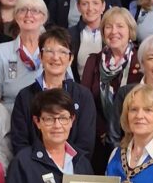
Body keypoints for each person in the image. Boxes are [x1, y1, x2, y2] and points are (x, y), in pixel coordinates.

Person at [10, 26, 96, 158]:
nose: (56, 57)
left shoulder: (83, 96)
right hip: (33, 170)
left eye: (62, 52)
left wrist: (64, 165)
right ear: (40, 56)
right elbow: (20, 142)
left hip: (72, 171)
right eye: (49, 51)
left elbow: (85, 145)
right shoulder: (25, 96)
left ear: (71, 58)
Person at [81, 6, 143, 172]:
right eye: (108, 26)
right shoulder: (93, 62)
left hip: (135, 140)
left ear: (130, 30)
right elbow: (86, 102)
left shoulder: (142, 61)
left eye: (120, 26)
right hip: (100, 142)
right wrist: (105, 132)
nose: (113, 31)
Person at [0, 0, 48, 111]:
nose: (28, 14)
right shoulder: (2, 51)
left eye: (35, 10)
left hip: (47, 113)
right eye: (22, 10)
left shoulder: (53, 50)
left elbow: (67, 87)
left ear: (43, 18)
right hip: (11, 114)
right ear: (16, 17)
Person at [68, 0, 106, 82]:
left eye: (95, 3)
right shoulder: (69, 35)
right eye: (85, 4)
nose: (90, 8)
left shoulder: (112, 33)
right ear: (78, 7)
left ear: (103, 6)